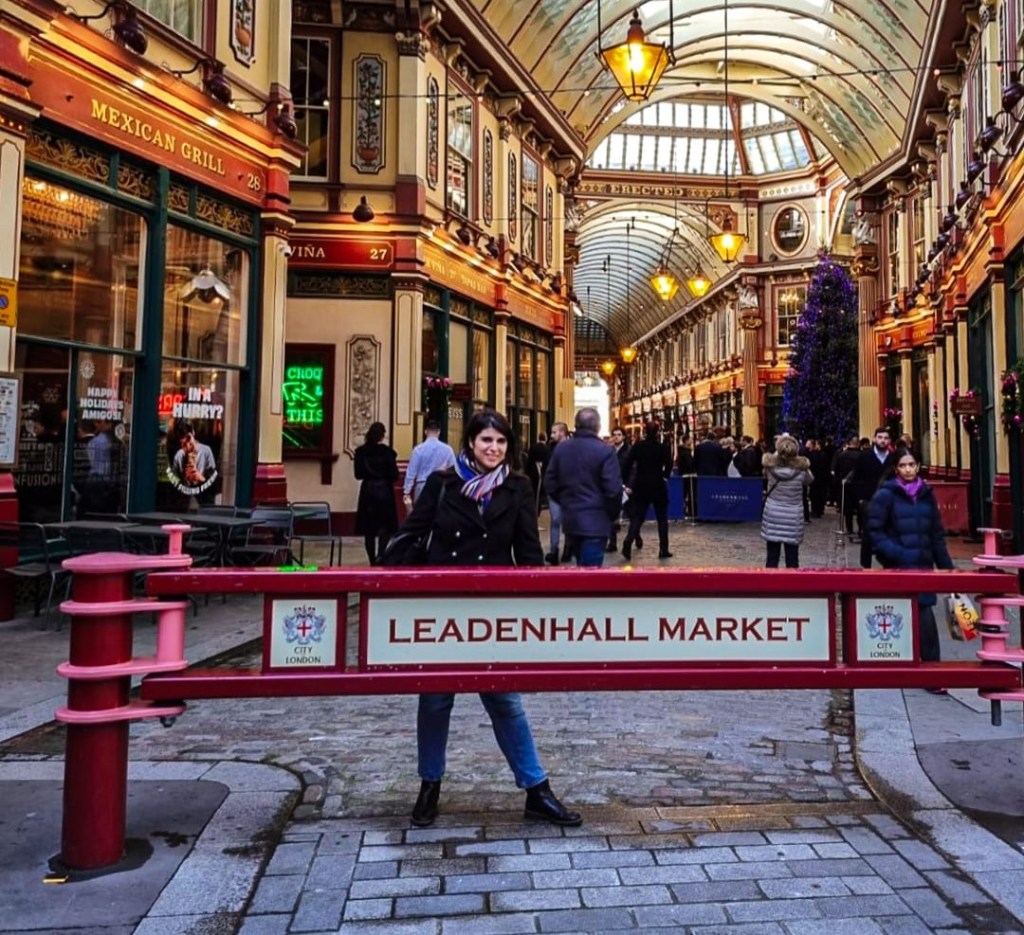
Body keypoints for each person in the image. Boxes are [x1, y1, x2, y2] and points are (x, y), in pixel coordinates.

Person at [380, 409, 581, 827]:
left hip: (493, 607)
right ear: (470, 442)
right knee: (435, 699)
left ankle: (536, 789)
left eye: (501, 442)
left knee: (505, 699)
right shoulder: (442, 483)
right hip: (443, 605)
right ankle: (429, 785)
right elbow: (412, 533)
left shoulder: (518, 486)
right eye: (486, 440)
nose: (493, 449)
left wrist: (534, 605)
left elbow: (527, 550)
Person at [867, 447, 954, 687]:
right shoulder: (887, 495)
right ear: (896, 468)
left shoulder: (926, 494)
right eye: (903, 465)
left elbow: (936, 534)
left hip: (923, 566)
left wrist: (948, 569)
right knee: (900, 616)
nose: (908, 469)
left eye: (912, 465)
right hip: (899, 566)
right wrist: (896, 553)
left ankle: (932, 673)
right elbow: (875, 531)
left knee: (925, 615)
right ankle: (901, 667)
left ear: (918, 466)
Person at [544, 407, 622, 567]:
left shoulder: (562, 449)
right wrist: (611, 515)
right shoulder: (605, 451)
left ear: (576, 425)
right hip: (596, 521)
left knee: (581, 564)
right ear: (598, 427)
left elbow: (550, 482)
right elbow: (613, 490)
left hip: (572, 520)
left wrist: (565, 501)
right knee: (591, 574)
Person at [620, 420, 674, 560]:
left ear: (645, 432)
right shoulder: (662, 447)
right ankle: (663, 549)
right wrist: (665, 477)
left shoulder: (638, 447)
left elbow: (627, 464)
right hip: (658, 485)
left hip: (641, 485)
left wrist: (627, 482)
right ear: (657, 432)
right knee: (662, 518)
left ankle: (628, 540)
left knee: (638, 516)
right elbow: (669, 464)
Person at [760, 434, 813, 568]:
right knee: (792, 555)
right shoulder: (801, 470)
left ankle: (771, 583)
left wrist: (777, 453)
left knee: (772, 555)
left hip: (773, 513)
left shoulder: (770, 468)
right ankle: (793, 584)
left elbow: (764, 472)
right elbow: (810, 480)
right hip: (793, 515)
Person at [354, 421, 399, 564]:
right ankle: (381, 556)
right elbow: (394, 474)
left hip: (368, 491)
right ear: (382, 435)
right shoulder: (387, 453)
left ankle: (372, 560)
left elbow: (358, 474)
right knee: (384, 527)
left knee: (369, 529)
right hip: (384, 491)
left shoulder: (361, 452)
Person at [851, 427, 896, 568]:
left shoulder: (893, 458)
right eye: (880, 437)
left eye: (885, 438)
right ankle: (866, 566)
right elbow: (856, 479)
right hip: (869, 501)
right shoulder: (864, 456)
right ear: (875, 438)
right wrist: (860, 500)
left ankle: (888, 564)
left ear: (889, 440)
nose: (882, 441)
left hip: (889, 502)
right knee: (868, 534)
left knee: (889, 532)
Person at [403, 419, 455, 505]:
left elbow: (411, 472)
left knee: (421, 515)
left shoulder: (418, 450)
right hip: (440, 485)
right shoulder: (448, 449)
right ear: (438, 432)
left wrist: (407, 491)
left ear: (425, 431)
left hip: (422, 485)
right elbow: (453, 470)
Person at [543, 422, 570, 564]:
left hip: (569, 492)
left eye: (554, 432)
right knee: (555, 521)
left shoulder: (573, 448)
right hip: (554, 492)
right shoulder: (550, 448)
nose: (552, 435)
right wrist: (549, 488)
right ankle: (554, 551)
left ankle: (567, 550)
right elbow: (548, 470)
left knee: (567, 522)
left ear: (562, 433)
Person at [606, 426, 632, 553]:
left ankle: (635, 536)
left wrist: (629, 486)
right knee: (612, 516)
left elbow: (633, 470)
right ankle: (612, 543)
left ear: (623, 436)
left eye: (619, 434)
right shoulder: (609, 450)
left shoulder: (628, 450)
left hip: (625, 486)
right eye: (614, 434)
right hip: (613, 486)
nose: (616, 437)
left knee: (631, 514)